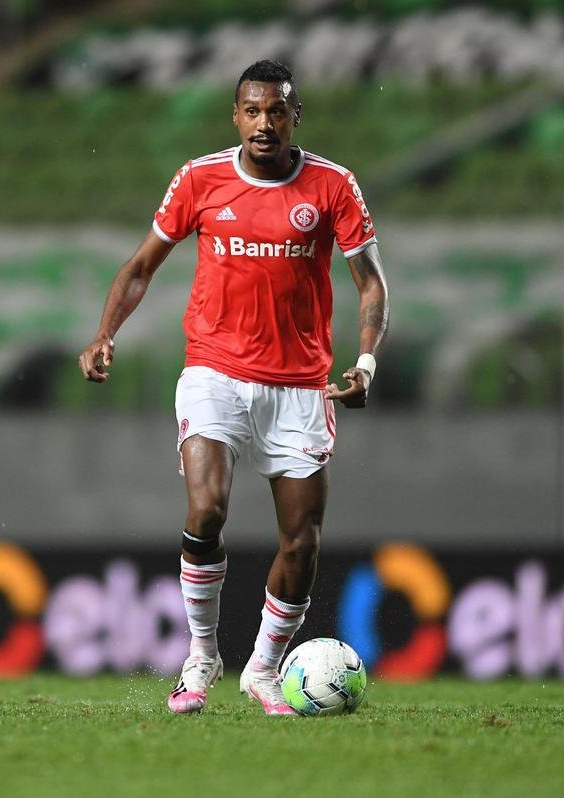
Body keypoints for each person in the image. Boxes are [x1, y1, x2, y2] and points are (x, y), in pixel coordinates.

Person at [77, 60, 389, 715]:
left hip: (302, 385)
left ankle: (265, 669)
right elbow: (139, 267)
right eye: (252, 111)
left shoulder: (334, 186)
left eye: (277, 111)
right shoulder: (201, 178)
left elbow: (371, 283)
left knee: (301, 541)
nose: (264, 124)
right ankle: (200, 656)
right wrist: (106, 331)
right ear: (236, 115)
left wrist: (365, 362)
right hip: (214, 371)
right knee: (206, 509)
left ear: (295, 116)